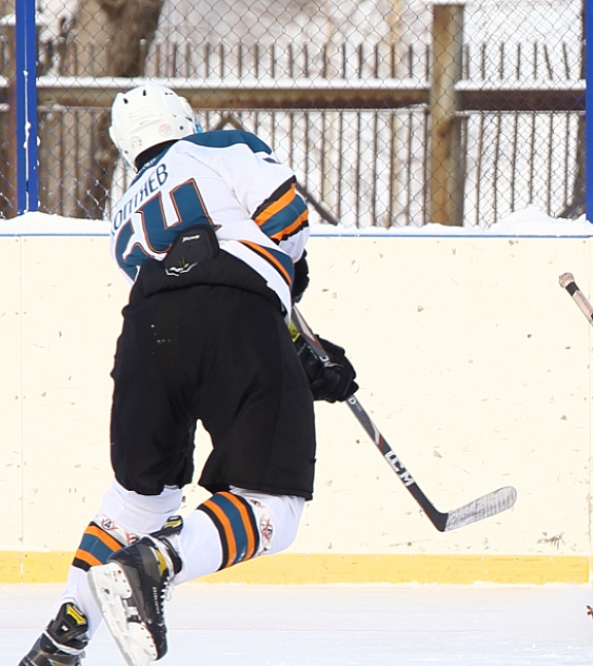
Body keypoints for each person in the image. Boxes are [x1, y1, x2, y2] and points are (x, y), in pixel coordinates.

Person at [20, 81, 358, 666]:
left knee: (137, 501)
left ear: (128, 148)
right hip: (234, 319)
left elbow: (184, 279)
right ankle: (158, 563)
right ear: (183, 119)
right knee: (273, 505)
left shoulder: (122, 216)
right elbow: (284, 224)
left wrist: (290, 335)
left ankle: (62, 638)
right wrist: (291, 323)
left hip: (144, 334)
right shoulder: (221, 146)